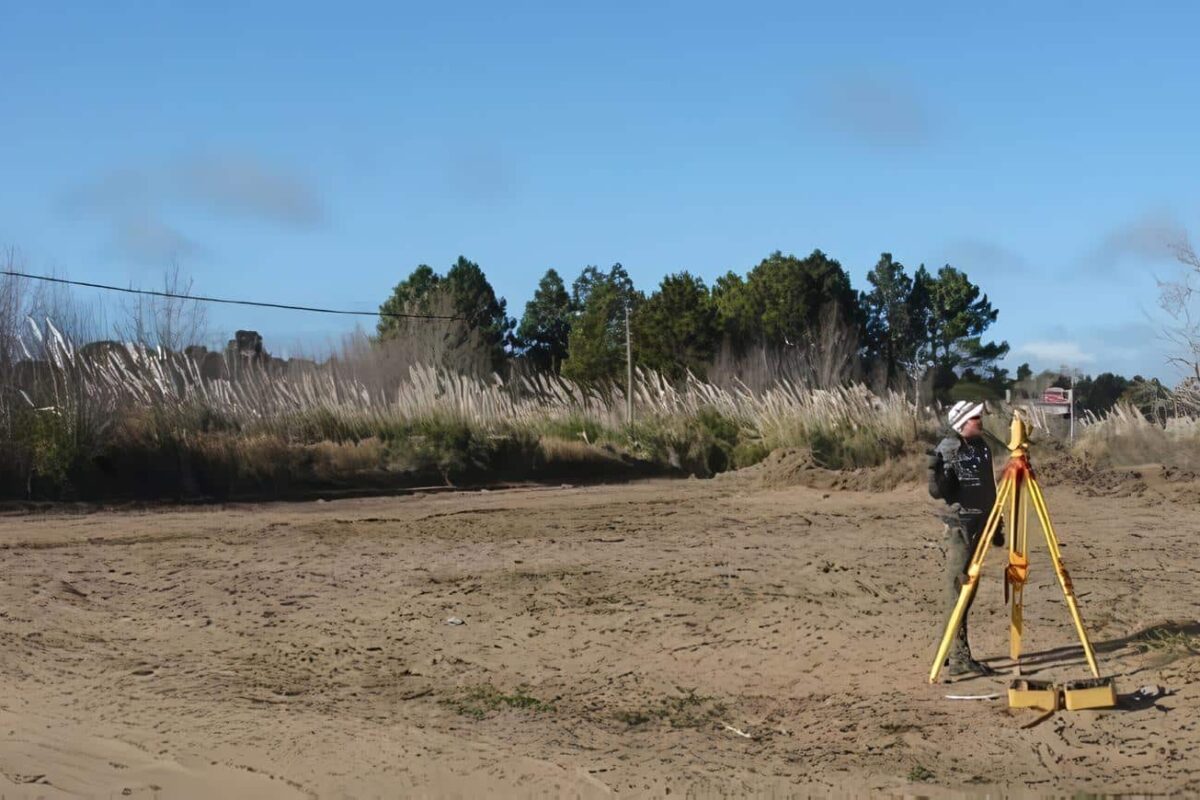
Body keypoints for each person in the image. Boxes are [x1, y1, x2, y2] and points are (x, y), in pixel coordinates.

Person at [927, 400, 1005, 677]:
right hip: (960, 526)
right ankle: (958, 657)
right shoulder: (950, 447)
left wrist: (996, 524)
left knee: (965, 592)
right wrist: (936, 472)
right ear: (961, 422)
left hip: (980, 524)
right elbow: (938, 492)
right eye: (974, 418)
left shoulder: (981, 447)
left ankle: (948, 651)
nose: (979, 420)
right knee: (958, 591)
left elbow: (989, 487)